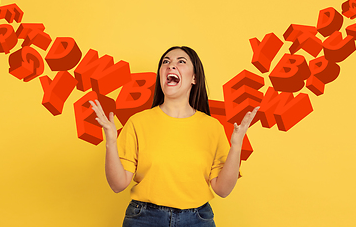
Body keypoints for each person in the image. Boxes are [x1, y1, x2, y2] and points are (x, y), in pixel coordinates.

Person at [89, 46, 259, 227]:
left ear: (194, 78)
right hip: (144, 218)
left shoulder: (212, 128)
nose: (171, 66)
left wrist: (236, 146)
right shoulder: (138, 122)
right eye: (166, 62)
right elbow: (117, 185)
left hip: (197, 219)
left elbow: (223, 190)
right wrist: (111, 142)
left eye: (181, 61)